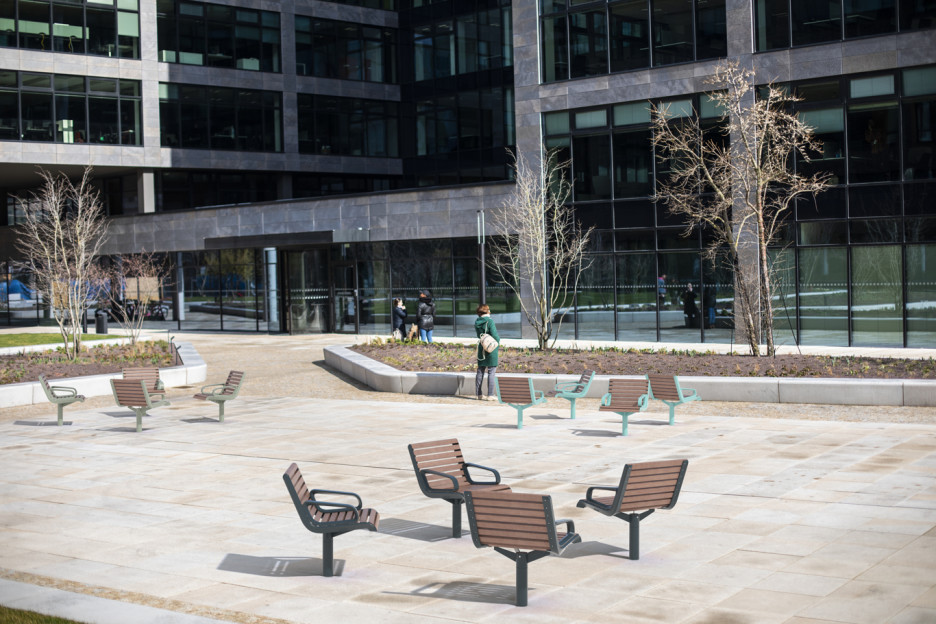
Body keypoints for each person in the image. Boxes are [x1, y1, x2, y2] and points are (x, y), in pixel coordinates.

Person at [475, 304, 500, 401]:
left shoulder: (477, 322)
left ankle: (478, 394)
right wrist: (497, 342)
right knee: (491, 371)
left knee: (480, 370)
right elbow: (495, 335)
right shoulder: (490, 321)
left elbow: (479, 335)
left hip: (482, 347)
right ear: (487, 311)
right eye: (489, 310)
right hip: (491, 347)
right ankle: (490, 394)